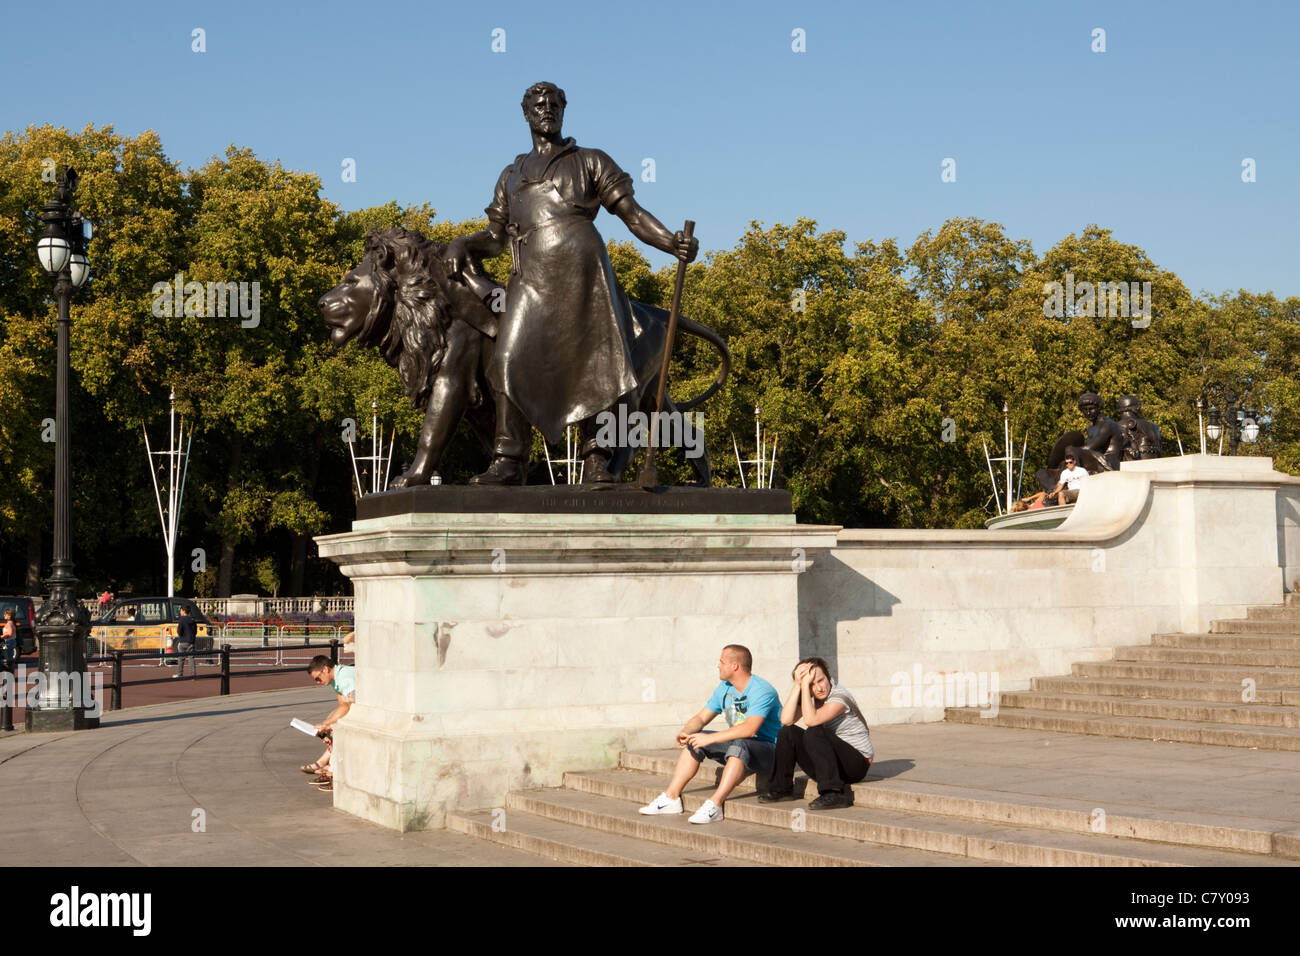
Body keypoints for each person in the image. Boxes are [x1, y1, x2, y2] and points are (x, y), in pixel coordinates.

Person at [443, 81, 698, 484]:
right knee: (507, 359)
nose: (547, 110)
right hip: (530, 279)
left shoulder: (591, 160)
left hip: (585, 276)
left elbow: (632, 214)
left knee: (599, 366)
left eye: (555, 104)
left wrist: (670, 242)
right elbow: (495, 238)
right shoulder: (511, 175)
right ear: (526, 114)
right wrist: (462, 242)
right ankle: (508, 459)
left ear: (564, 111)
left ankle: (598, 454)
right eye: (539, 105)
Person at [638, 644, 782, 825]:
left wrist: (711, 738)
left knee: (739, 744)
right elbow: (701, 717)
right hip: (741, 744)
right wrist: (687, 731)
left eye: (721, 661)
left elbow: (750, 729)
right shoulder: (725, 687)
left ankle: (715, 804)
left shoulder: (761, 690)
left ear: (734, 666)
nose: (718, 666)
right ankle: (671, 798)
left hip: (770, 751)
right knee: (696, 739)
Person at [762, 657, 874, 810]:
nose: (819, 688)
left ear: (828, 677)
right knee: (787, 732)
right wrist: (797, 685)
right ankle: (781, 789)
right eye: (812, 684)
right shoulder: (810, 695)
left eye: (821, 680)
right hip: (833, 763)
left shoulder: (840, 697)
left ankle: (834, 793)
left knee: (814, 731)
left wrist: (807, 684)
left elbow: (811, 720)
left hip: (856, 764)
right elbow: (786, 720)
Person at [303, 655, 356, 791]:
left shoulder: (344, 678)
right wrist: (326, 723)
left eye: (318, 678)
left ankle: (333, 774)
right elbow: (342, 705)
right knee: (333, 729)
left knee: (337, 732)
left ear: (325, 669)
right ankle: (330, 770)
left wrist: (328, 725)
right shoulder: (336, 679)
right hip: (358, 708)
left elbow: (349, 705)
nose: (318, 682)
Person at [172, 605, 198, 679]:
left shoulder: (182, 619)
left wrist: (181, 635)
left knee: (181, 658)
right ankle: (193, 675)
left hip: (183, 640)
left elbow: (179, 630)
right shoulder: (192, 619)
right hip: (191, 640)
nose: (180, 612)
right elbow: (195, 631)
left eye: (180, 610)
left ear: (183, 611)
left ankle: (180, 674)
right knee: (191, 658)